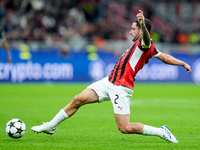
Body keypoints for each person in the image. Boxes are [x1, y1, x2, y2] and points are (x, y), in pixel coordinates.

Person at [31, 10, 191, 143]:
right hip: (108, 81)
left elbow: (148, 41)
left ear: (141, 30)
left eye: (133, 29)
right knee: (78, 99)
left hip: (121, 88)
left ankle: (161, 131)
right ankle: (51, 125)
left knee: (124, 128)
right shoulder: (142, 45)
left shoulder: (145, 44)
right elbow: (165, 57)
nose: (130, 31)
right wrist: (183, 63)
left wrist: (143, 26)